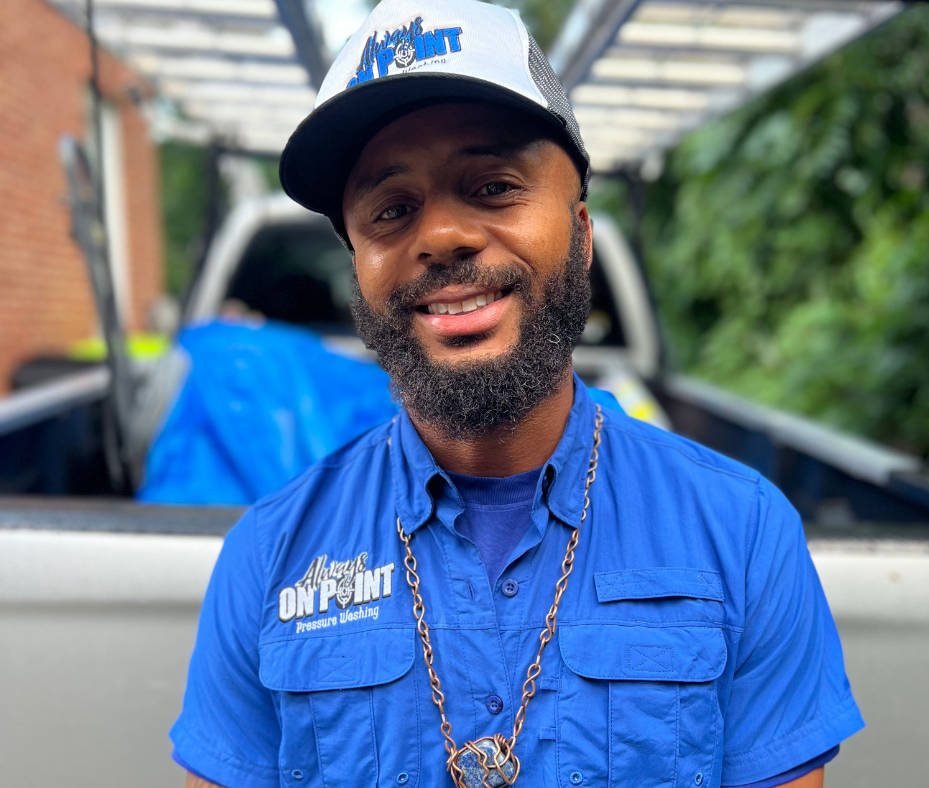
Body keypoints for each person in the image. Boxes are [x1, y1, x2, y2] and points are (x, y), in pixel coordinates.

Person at [170, 1, 863, 787]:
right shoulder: (268, 557)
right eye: (391, 210)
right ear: (358, 264)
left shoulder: (739, 533)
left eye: (494, 186)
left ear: (582, 233)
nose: (440, 237)